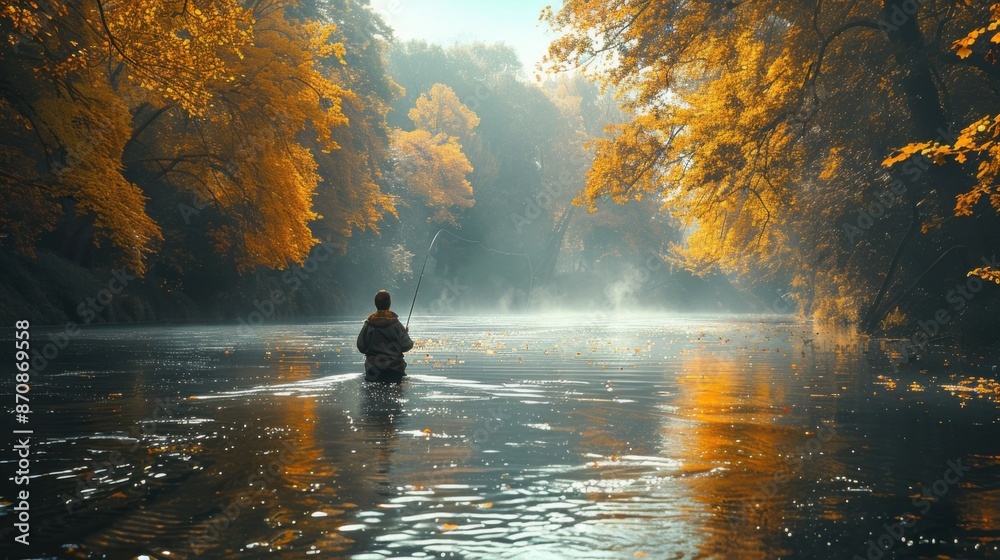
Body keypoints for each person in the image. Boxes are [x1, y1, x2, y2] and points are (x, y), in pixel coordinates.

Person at [357, 290, 414, 382]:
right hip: (395, 369)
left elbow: (361, 347)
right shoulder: (396, 324)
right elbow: (407, 346)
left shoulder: (369, 325)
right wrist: (405, 334)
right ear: (390, 303)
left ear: (375, 304)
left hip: (373, 369)